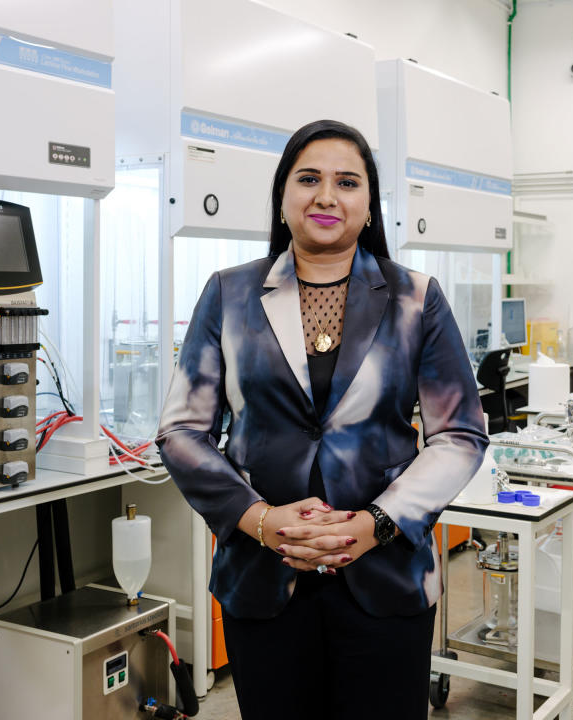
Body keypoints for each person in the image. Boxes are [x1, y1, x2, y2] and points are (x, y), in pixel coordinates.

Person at [156, 119, 489, 719]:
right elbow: (182, 430)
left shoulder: (416, 298)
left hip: (385, 575)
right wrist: (258, 519)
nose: (327, 196)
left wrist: (375, 524)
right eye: (308, 178)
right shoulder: (229, 294)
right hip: (262, 574)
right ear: (283, 197)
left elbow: (460, 433)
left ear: (370, 204)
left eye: (347, 182)